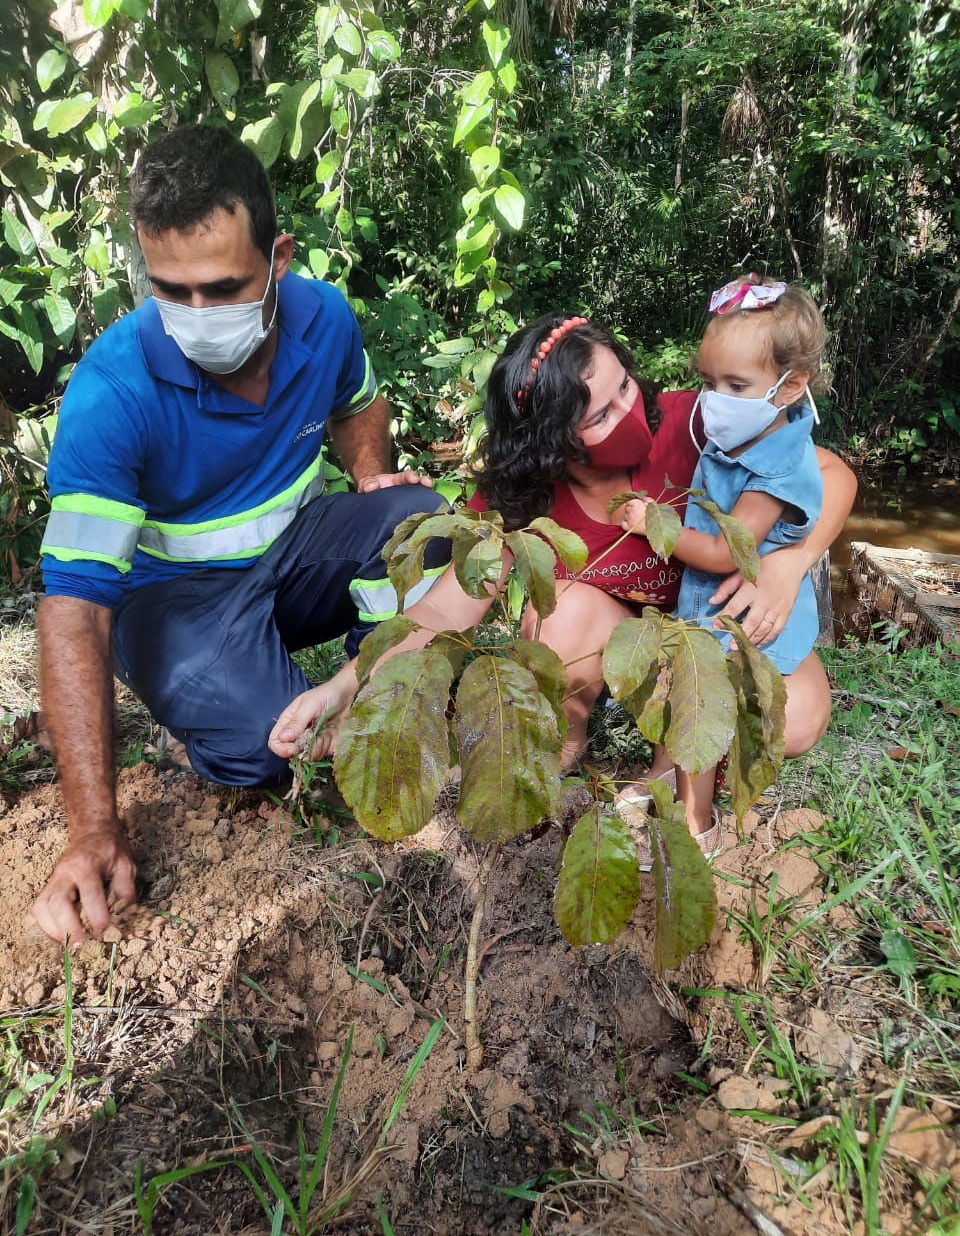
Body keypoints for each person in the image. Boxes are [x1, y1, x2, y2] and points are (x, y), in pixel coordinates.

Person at [31, 124, 445, 945]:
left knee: (421, 523)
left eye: (222, 288)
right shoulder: (113, 392)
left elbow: (359, 402)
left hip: (292, 562)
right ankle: (207, 728)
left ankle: (381, 693)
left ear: (278, 259)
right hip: (174, 605)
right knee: (270, 747)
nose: (196, 315)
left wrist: (370, 473)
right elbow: (74, 610)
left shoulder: (324, 321)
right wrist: (93, 829)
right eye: (171, 290)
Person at [269, 313, 856, 825]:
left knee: (798, 718)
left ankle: (680, 754)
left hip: (710, 637)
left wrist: (790, 563)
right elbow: (446, 609)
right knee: (564, 609)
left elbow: (833, 474)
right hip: (615, 645)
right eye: (601, 415)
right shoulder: (524, 498)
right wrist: (344, 687)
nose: (630, 411)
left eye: (625, 386)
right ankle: (559, 744)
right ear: (554, 439)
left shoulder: (696, 425)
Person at [621, 275, 830, 852]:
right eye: (709, 382)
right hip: (711, 607)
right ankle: (665, 774)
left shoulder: (775, 467)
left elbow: (722, 552)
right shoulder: (742, 433)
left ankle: (697, 824)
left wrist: (653, 523)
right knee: (684, 688)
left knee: (703, 700)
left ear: (790, 387)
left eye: (736, 385)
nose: (715, 399)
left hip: (738, 615)